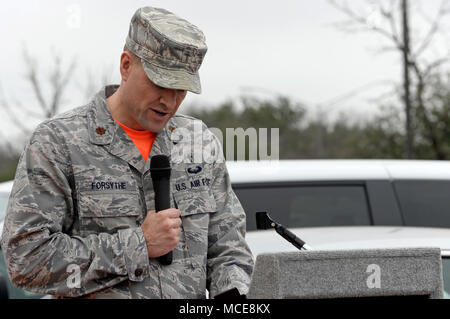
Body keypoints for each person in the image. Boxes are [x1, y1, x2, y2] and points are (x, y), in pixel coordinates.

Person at [1, 6, 254, 299]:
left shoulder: (197, 142)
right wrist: (139, 244)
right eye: (161, 83)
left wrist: (231, 295)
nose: (170, 101)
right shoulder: (58, 143)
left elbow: (229, 246)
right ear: (126, 65)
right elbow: (26, 260)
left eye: (181, 89)